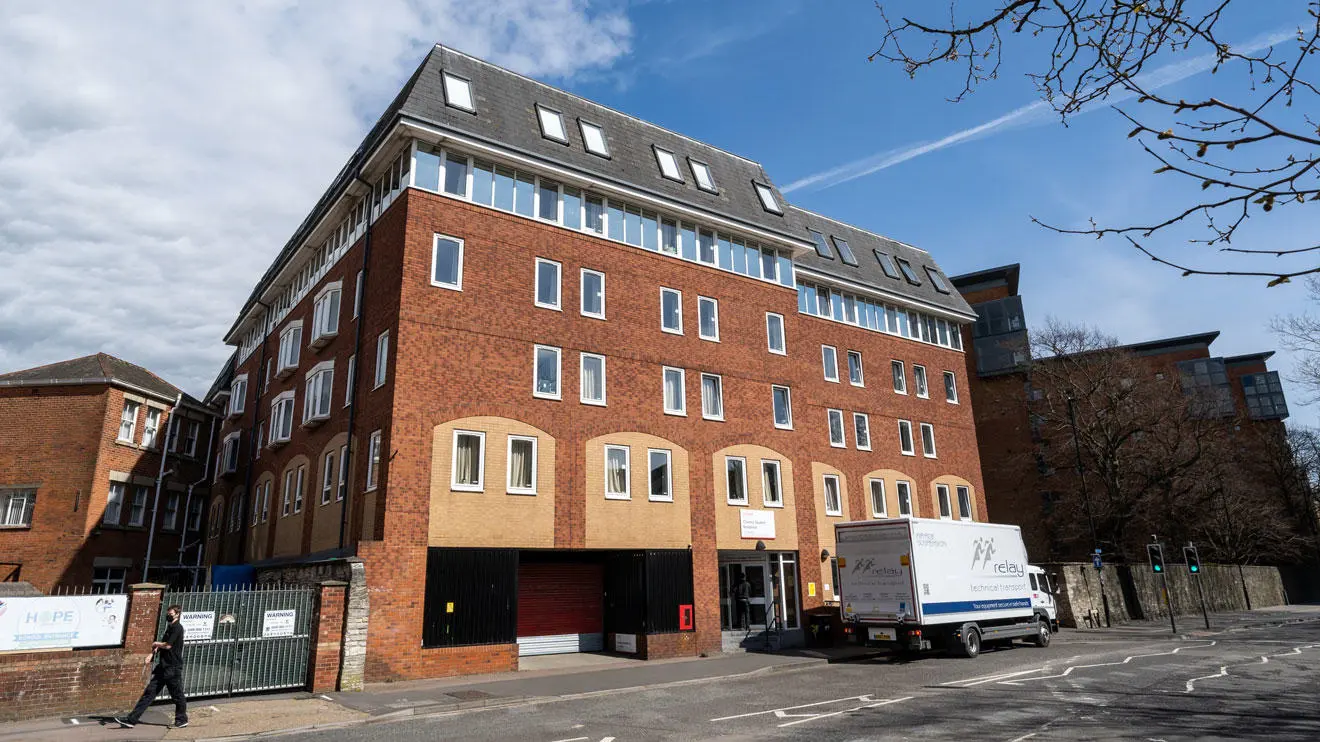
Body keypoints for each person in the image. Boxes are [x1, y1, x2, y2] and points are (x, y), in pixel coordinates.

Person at [116, 604, 188, 729]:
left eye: (170, 614)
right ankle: (131, 720)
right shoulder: (170, 627)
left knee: (177, 695)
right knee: (149, 694)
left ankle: (182, 720)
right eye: (168, 614)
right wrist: (151, 654)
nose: (168, 616)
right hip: (163, 667)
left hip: (173, 667)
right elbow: (161, 646)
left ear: (177, 614)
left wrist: (156, 643)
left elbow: (168, 645)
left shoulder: (177, 628)